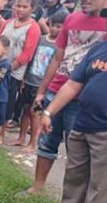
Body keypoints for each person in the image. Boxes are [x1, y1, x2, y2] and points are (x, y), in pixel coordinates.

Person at [25, 0, 107, 195]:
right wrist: (42, 91)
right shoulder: (72, 19)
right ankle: (37, 187)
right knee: (46, 143)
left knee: (79, 156)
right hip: (58, 91)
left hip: (86, 99)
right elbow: (58, 57)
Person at [39, 2, 107, 203]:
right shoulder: (100, 48)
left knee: (100, 185)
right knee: (75, 175)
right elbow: (73, 84)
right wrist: (49, 112)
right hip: (82, 123)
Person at [12, 12, 66, 152]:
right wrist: (24, 77)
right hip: (29, 79)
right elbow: (30, 58)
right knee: (25, 110)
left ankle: (32, 143)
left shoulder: (61, 47)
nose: (55, 29)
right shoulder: (41, 39)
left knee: (35, 113)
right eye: (53, 25)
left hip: (42, 84)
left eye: (59, 27)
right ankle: (21, 137)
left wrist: (48, 86)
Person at [0, 0, 41, 128]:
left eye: (25, 7)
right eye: (18, 6)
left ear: (32, 9)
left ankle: (1, 132)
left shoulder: (33, 28)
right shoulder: (8, 23)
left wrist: (8, 69)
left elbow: (27, 54)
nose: (20, 9)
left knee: (7, 101)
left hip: (14, 73)